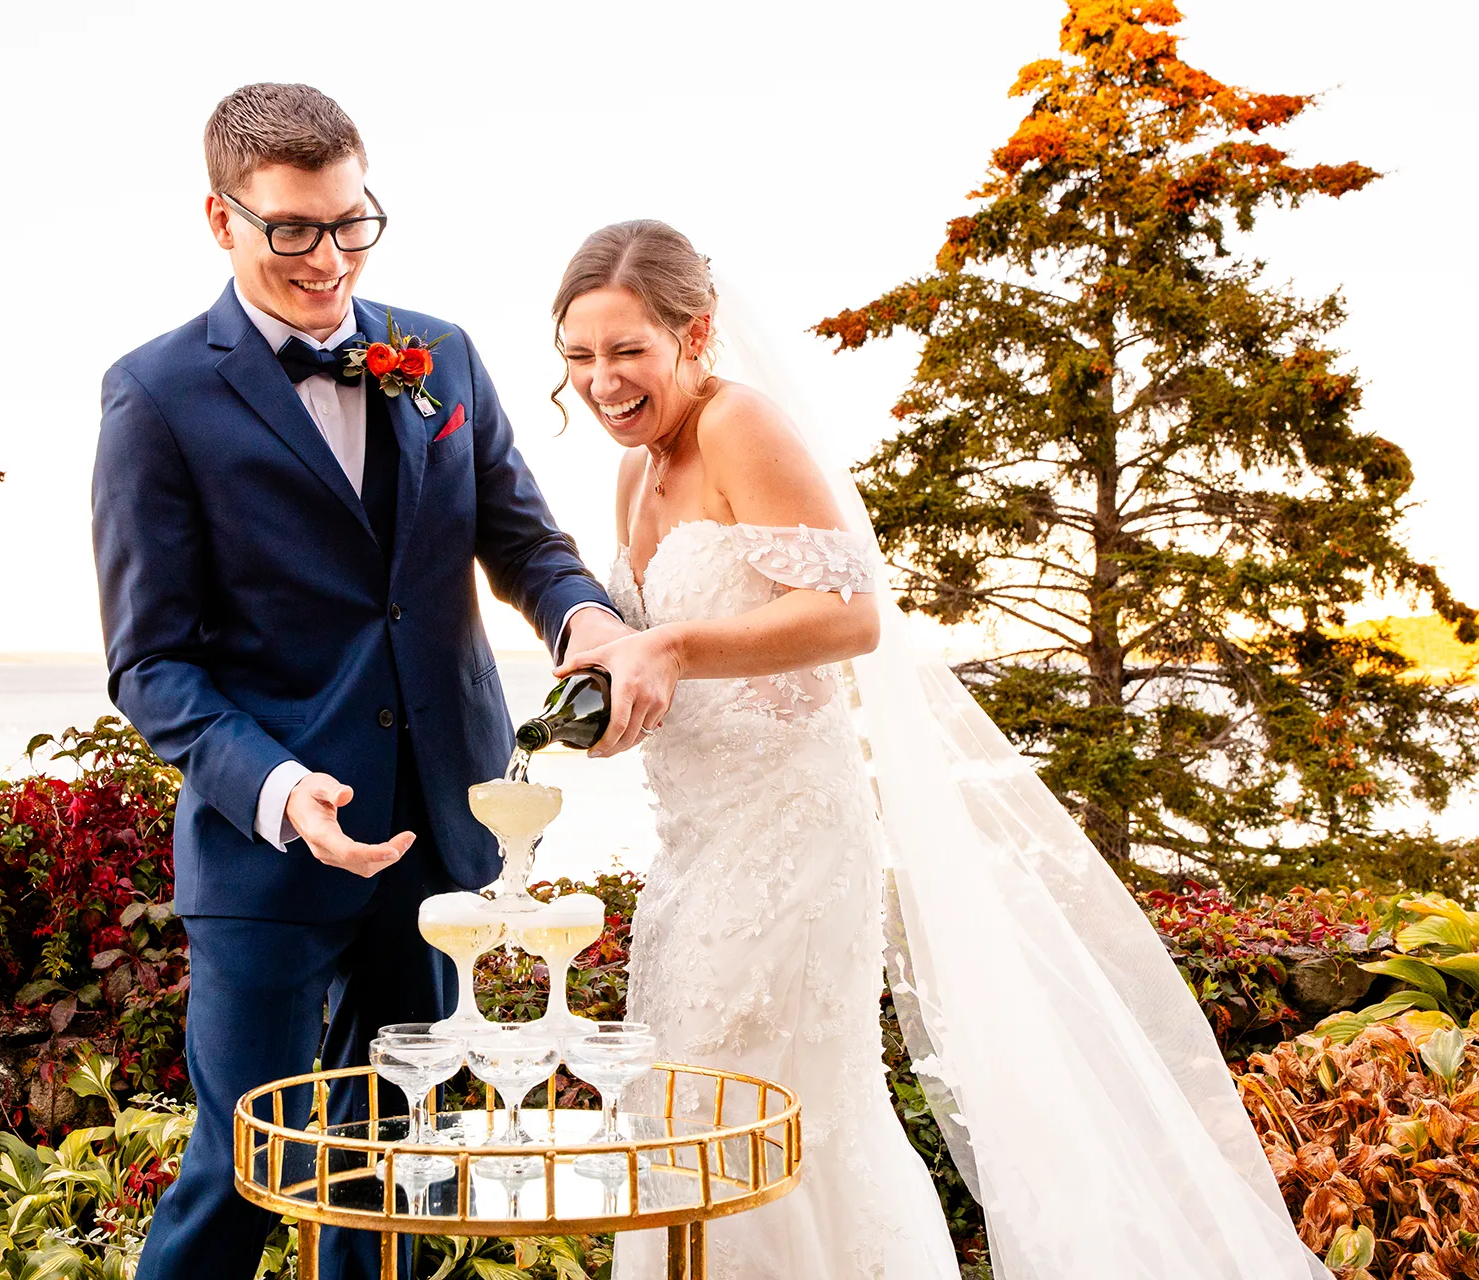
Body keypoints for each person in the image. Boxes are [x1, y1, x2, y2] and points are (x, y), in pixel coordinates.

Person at [551, 220, 1330, 1279]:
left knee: (768, 1116)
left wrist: (675, 642)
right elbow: (671, 664)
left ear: (695, 333)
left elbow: (850, 616)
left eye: (625, 349)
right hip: (692, 852)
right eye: (578, 355)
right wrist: (623, 693)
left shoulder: (744, 427)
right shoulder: (636, 476)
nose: (601, 379)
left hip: (791, 846)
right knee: (688, 1103)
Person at [90, 84, 626, 1280]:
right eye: (291, 229)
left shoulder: (443, 355)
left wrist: (582, 614)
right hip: (266, 850)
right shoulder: (156, 394)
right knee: (242, 1167)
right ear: (219, 219)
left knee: (401, 1175)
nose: (327, 258)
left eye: (350, 223)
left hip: (443, 832)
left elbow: (526, 544)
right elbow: (151, 663)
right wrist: (281, 790)